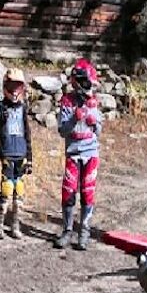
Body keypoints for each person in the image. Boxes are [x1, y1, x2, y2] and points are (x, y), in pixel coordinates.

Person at [55, 58, 103, 250]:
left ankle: (84, 231)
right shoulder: (67, 101)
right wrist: (74, 118)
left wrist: (94, 121)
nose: (88, 87)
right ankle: (67, 230)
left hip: (90, 153)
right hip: (73, 153)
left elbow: (99, 130)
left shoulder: (94, 102)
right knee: (68, 191)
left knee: (87, 192)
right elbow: (62, 130)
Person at [0, 68, 33, 239]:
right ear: (5, 86)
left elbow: (27, 133)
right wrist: (2, 118)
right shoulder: (0, 107)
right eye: (11, 86)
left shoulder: (23, 108)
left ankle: (15, 224)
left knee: (19, 189)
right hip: (7, 153)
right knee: (6, 188)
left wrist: (30, 158)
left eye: (18, 86)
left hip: (21, 154)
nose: (14, 90)